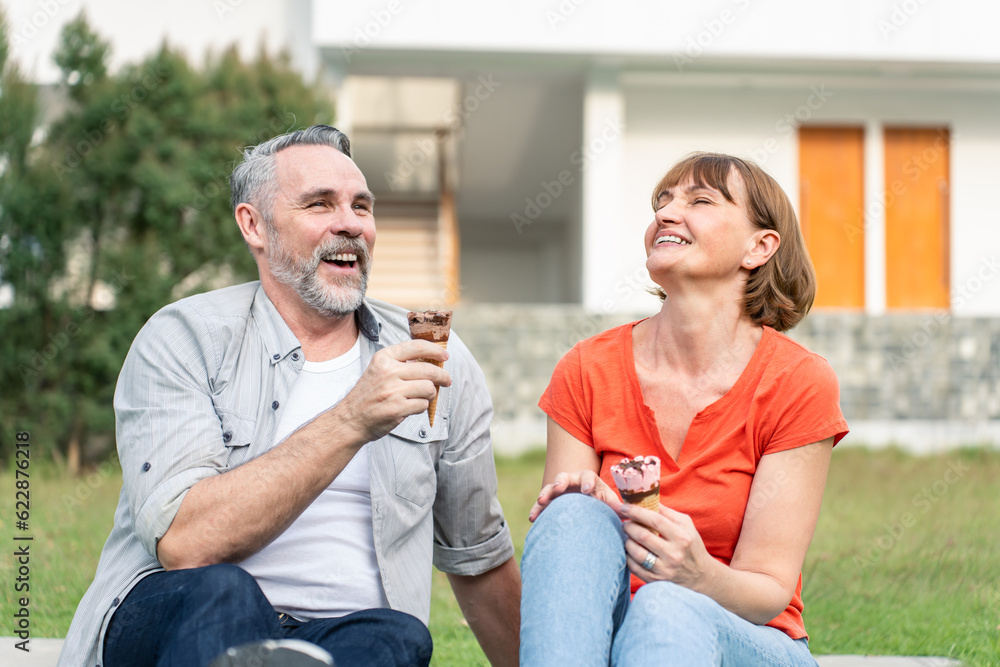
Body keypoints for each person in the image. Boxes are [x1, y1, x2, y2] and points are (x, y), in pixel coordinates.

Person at [58, 125, 520, 667]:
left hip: (339, 640)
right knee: (224, 593)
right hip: (183, 617)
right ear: (253, 225)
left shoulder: (435, 357)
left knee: (396, 637)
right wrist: (351, 419)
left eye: (361, 207)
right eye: (319, 204)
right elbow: (187, 544)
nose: (349, 224)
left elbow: (478, 559)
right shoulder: (186, 338)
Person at [519, 152, 849, 665]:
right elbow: (571, 563)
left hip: (746, 635)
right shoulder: (587, 368)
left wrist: (697, 574)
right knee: (571, 514)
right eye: (663, 201)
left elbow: (768, 592)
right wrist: (585, 501)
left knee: (666, 605)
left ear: (759, 247)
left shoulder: (797, 382)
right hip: (610, 635)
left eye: (699, 201)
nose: (667, 214)